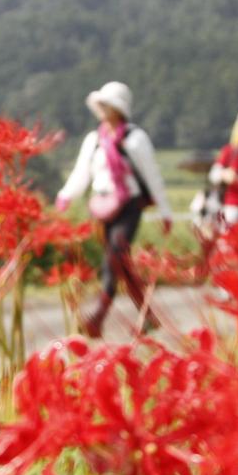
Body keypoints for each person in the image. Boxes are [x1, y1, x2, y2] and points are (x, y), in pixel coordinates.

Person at [54, 81, 174, 338]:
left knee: (113, 260)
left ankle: (97, 319)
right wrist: (65, 195)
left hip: (129, 206)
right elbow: (81, 173)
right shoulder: (94, 139)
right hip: (102, 206)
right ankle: (149, 317)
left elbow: (153, 177)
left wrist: (165, 211)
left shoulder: (135, 139)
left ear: (118, 108)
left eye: (106, 104)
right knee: (122, 263)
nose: (101, 108)